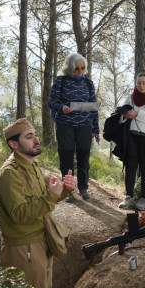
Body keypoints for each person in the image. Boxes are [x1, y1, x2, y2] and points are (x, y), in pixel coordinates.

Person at [0, 118, 76, 288]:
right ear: (13, 144)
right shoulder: (9, 173)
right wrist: (53, 195)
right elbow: (19, 214)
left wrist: (64, 189)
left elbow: (41, 203)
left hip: (41, 240)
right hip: (24, 247)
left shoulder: (32, 166)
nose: (36, 140)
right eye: (29, 137)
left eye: (35, 135)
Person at [48, 53, 99, 202]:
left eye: (83, 68)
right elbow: (51, 102)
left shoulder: (89, 83)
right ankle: (68, 190)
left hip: (85, 126)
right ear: (69, 67)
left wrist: (95, 129)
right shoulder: (61, 81)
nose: (80, 70)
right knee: (66, 158)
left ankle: (83, 188)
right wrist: (62, 107)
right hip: (65, 125)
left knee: (84, 158)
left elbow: (93, 107)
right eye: (77, 68)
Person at [116, 71, 145, 211]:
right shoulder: (130, 97)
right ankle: (129, 196)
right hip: (131, 137)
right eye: (138, 83)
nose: (141, 86)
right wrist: (125, 115)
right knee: (130, 166)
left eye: (144, 83)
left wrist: (138, 114)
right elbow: (120, 114)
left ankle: (143, 198)